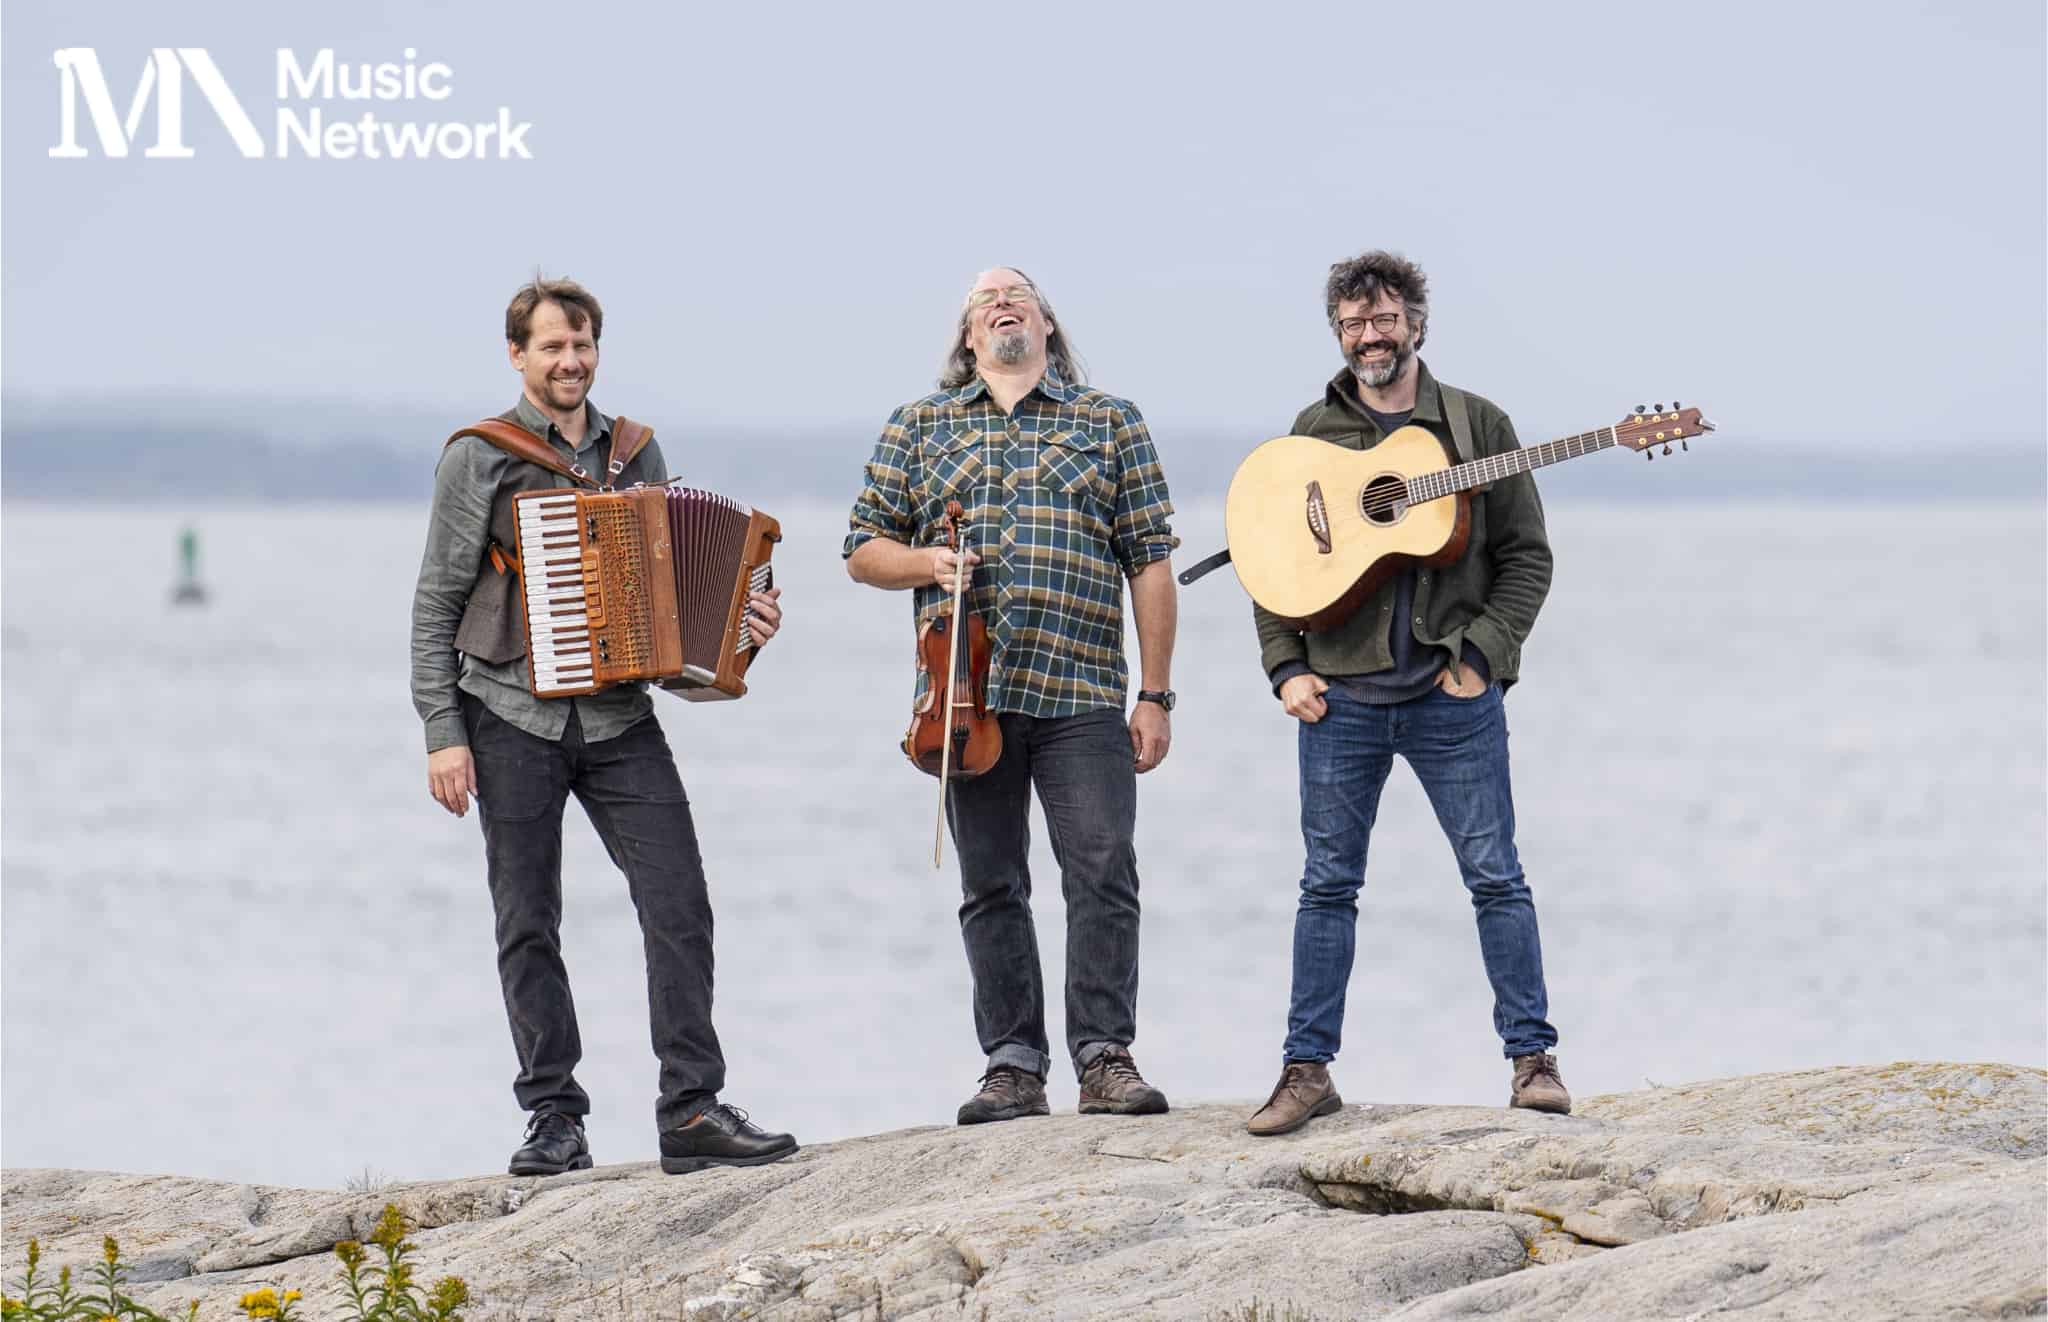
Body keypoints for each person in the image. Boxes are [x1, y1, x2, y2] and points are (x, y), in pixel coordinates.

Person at [410, 276, 797, 1175]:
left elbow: (668, 621)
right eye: (550, 347)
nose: (569, 362)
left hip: (620, 720)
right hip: (508, 715)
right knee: (528, 921)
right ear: (518, 354)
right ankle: (555, 1117)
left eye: (580, 346)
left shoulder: (636, 453)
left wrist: (741, 630)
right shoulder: (480, 456)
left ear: (596, 350)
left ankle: (690, 1109)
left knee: (680, 902)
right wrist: (443, 731)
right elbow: (436, 603)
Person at [1244, 250, 1572, 1137]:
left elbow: (1526, 559)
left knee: (1495, 877)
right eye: (1352, 323)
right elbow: (1270, 561)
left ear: (1417, 324)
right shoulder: (1313, 428)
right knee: (1327, 887)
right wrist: (1286, 668)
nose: (1368, 336)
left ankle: (1532, 1060)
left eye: (1384, 319)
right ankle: (1306, 1071)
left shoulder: (1474, 426)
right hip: (1339, 699)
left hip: (1448, 694)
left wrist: (1487, 656)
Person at [845, 267, 1181, 1125]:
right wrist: (928, 562)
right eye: (983, 300)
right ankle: (1013, 1064)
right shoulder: (920, 426)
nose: (1002, 303)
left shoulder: (1110, 422)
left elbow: (1148, 559)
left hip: (1081, 689)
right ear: (967, 337)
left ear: (1045, 324)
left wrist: (1155, 695)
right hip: (969, 699)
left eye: (1019, 295)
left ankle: (1104, 1055)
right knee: (991, 883)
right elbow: (862, 547)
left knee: (1103, 870)